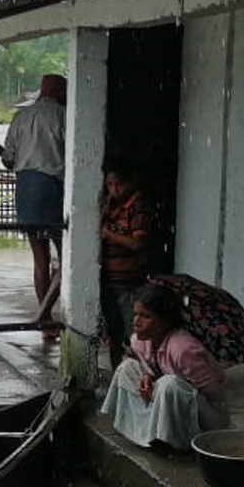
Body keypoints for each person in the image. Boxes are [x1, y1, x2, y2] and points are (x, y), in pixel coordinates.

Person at [101, 281, 229, 450]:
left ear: (164, 322)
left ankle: (174, 440)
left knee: (170, 384)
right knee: (127, 368)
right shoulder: (139, 342)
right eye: (135, 315)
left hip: (203, 417)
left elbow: (213, 393)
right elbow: (151, 369)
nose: (136, 322)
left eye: (145, 316)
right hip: (163, 401)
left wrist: (167, 389)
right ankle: (144, 431)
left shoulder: (183, 349)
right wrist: (148, 379)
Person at [0, 73, 66, 341]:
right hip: (53, 189)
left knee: (40, 259)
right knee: (67, 258)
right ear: (60, 91)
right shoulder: (64, 116)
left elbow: (8, 159)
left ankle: (45, 320)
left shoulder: (21, 117)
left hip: (26, 190)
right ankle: (44, 312)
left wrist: (9, 156)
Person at [98, 156, 152, 371]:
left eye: (119, 184)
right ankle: (116, 374)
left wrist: (108, 234)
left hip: (129, 281)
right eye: (110, 184)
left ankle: (139, 373)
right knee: (113, 331)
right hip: (110, 280)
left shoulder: (138, 206)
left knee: (134, 333)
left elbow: (137, 243)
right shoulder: (113, 206)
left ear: (131, 182)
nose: (114, 189)